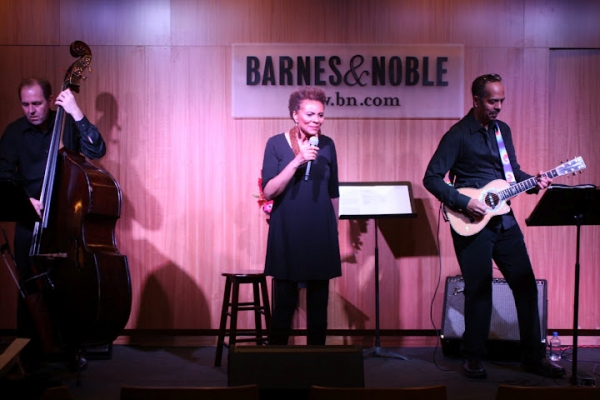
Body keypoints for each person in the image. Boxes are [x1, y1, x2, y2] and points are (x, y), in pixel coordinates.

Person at [423, 74, 565, 379]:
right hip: (471, 221)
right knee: (479, 289)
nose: (498, 106)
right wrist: (463, 202)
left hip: (504, 219)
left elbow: (511, 174)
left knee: (525, 285)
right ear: (476, 100)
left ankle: (534, 357)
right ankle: (473, 357)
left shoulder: (503, 131)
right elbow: (431, 178)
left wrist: (533, 182)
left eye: (501, 100)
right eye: (492, 101)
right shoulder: (458, 134)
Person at [0, 78, 106, 371]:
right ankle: (30, 353)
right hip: (29, 222)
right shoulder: (13, 133)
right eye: (25, 104)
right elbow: (4, 176)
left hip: (65, 222)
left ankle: (71, 349)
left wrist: (76, 112)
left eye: (36, 103)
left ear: (49, 101)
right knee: (29, 288)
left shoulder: (67, 124)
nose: (31, 110)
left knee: (68, 288)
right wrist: (25, 200)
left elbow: (97, 151)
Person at [261, 86, 341, 345]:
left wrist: (335, 229)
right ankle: (277, 369)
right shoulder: (276, 143)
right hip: (288, 233)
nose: (316, 120)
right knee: (284, 305)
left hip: (320, 233)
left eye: (320, 115)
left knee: (318, 308)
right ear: (295, 115)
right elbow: (269, 190)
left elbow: (333, 192)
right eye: (310, 114)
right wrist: (297, 161)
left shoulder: (328, 145)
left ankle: (316, 368)